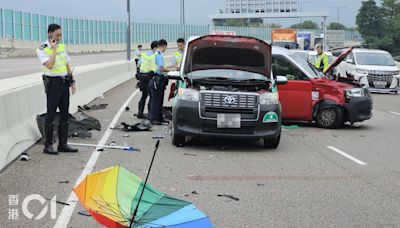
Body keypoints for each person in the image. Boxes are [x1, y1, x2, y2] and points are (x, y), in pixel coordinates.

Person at [36, 24, 78, 155]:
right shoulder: (42, 49)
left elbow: (66, 64)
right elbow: (50, 65)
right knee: (51, 114)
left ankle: (63, 144)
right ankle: (48, 146)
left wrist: (72, 81)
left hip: (64, 82)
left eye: (60, 35)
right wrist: (53, 49)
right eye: (57, 35)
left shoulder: (62, 46)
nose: (59, 37)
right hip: (53, 84)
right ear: (50, 34)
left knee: (65, 113)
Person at [148, 39, 174, 125]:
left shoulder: (155, 54)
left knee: (158, 100)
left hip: (155, 79)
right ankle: (154, 118)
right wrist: (171, 70)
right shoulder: (159, 55)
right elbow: (161, 68)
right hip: (158, 79)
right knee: (156, 100)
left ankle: (159, 118)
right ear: (164, 46)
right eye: (166, 47)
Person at [135, 41, 158, 119]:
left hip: (142, 77)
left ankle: (140, 113)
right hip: (149, 77)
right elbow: (156, 68)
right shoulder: (154, 55)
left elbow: (138, 65)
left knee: (144, 95)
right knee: (152, 96)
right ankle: (150, 114)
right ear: (155, 48)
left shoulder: (144, 54)